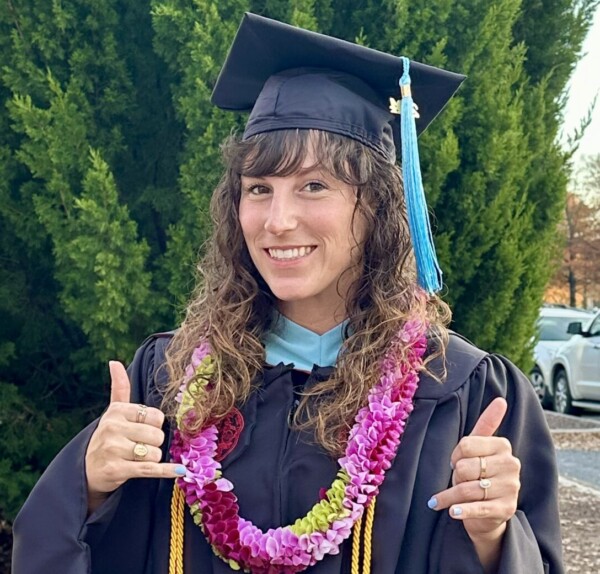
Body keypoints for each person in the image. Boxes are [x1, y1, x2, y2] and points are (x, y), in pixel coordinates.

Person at [12, 12, 563, 574]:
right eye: (259, 188)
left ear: (376, 207)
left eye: (314, 186)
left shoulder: (460, 392)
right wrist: (88, 488)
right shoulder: (169, 378)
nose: (277, 221)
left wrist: (493, 536)